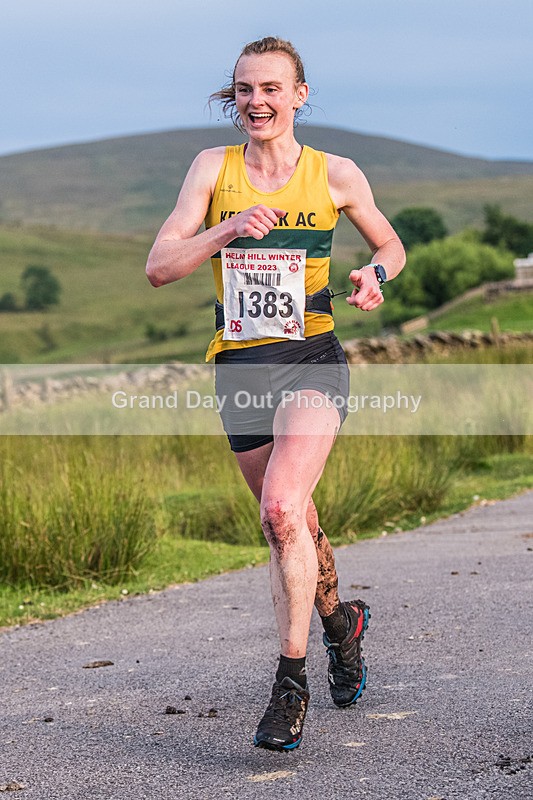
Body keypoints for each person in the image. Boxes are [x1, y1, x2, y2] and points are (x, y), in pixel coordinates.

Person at [146, 36, 406, 751]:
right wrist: (225, 228)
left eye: (269, 89)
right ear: (232, 99)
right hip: (240, 369)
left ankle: (288, 687)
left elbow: (389, 246)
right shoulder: (211, 169)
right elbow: (160, 267)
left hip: (312, 360)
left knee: (282, 508)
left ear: (298, 95)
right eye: (242, 90)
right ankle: (339, 625)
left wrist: (373, 278)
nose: (255, 101)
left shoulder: (335, 174)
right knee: (292, 526)